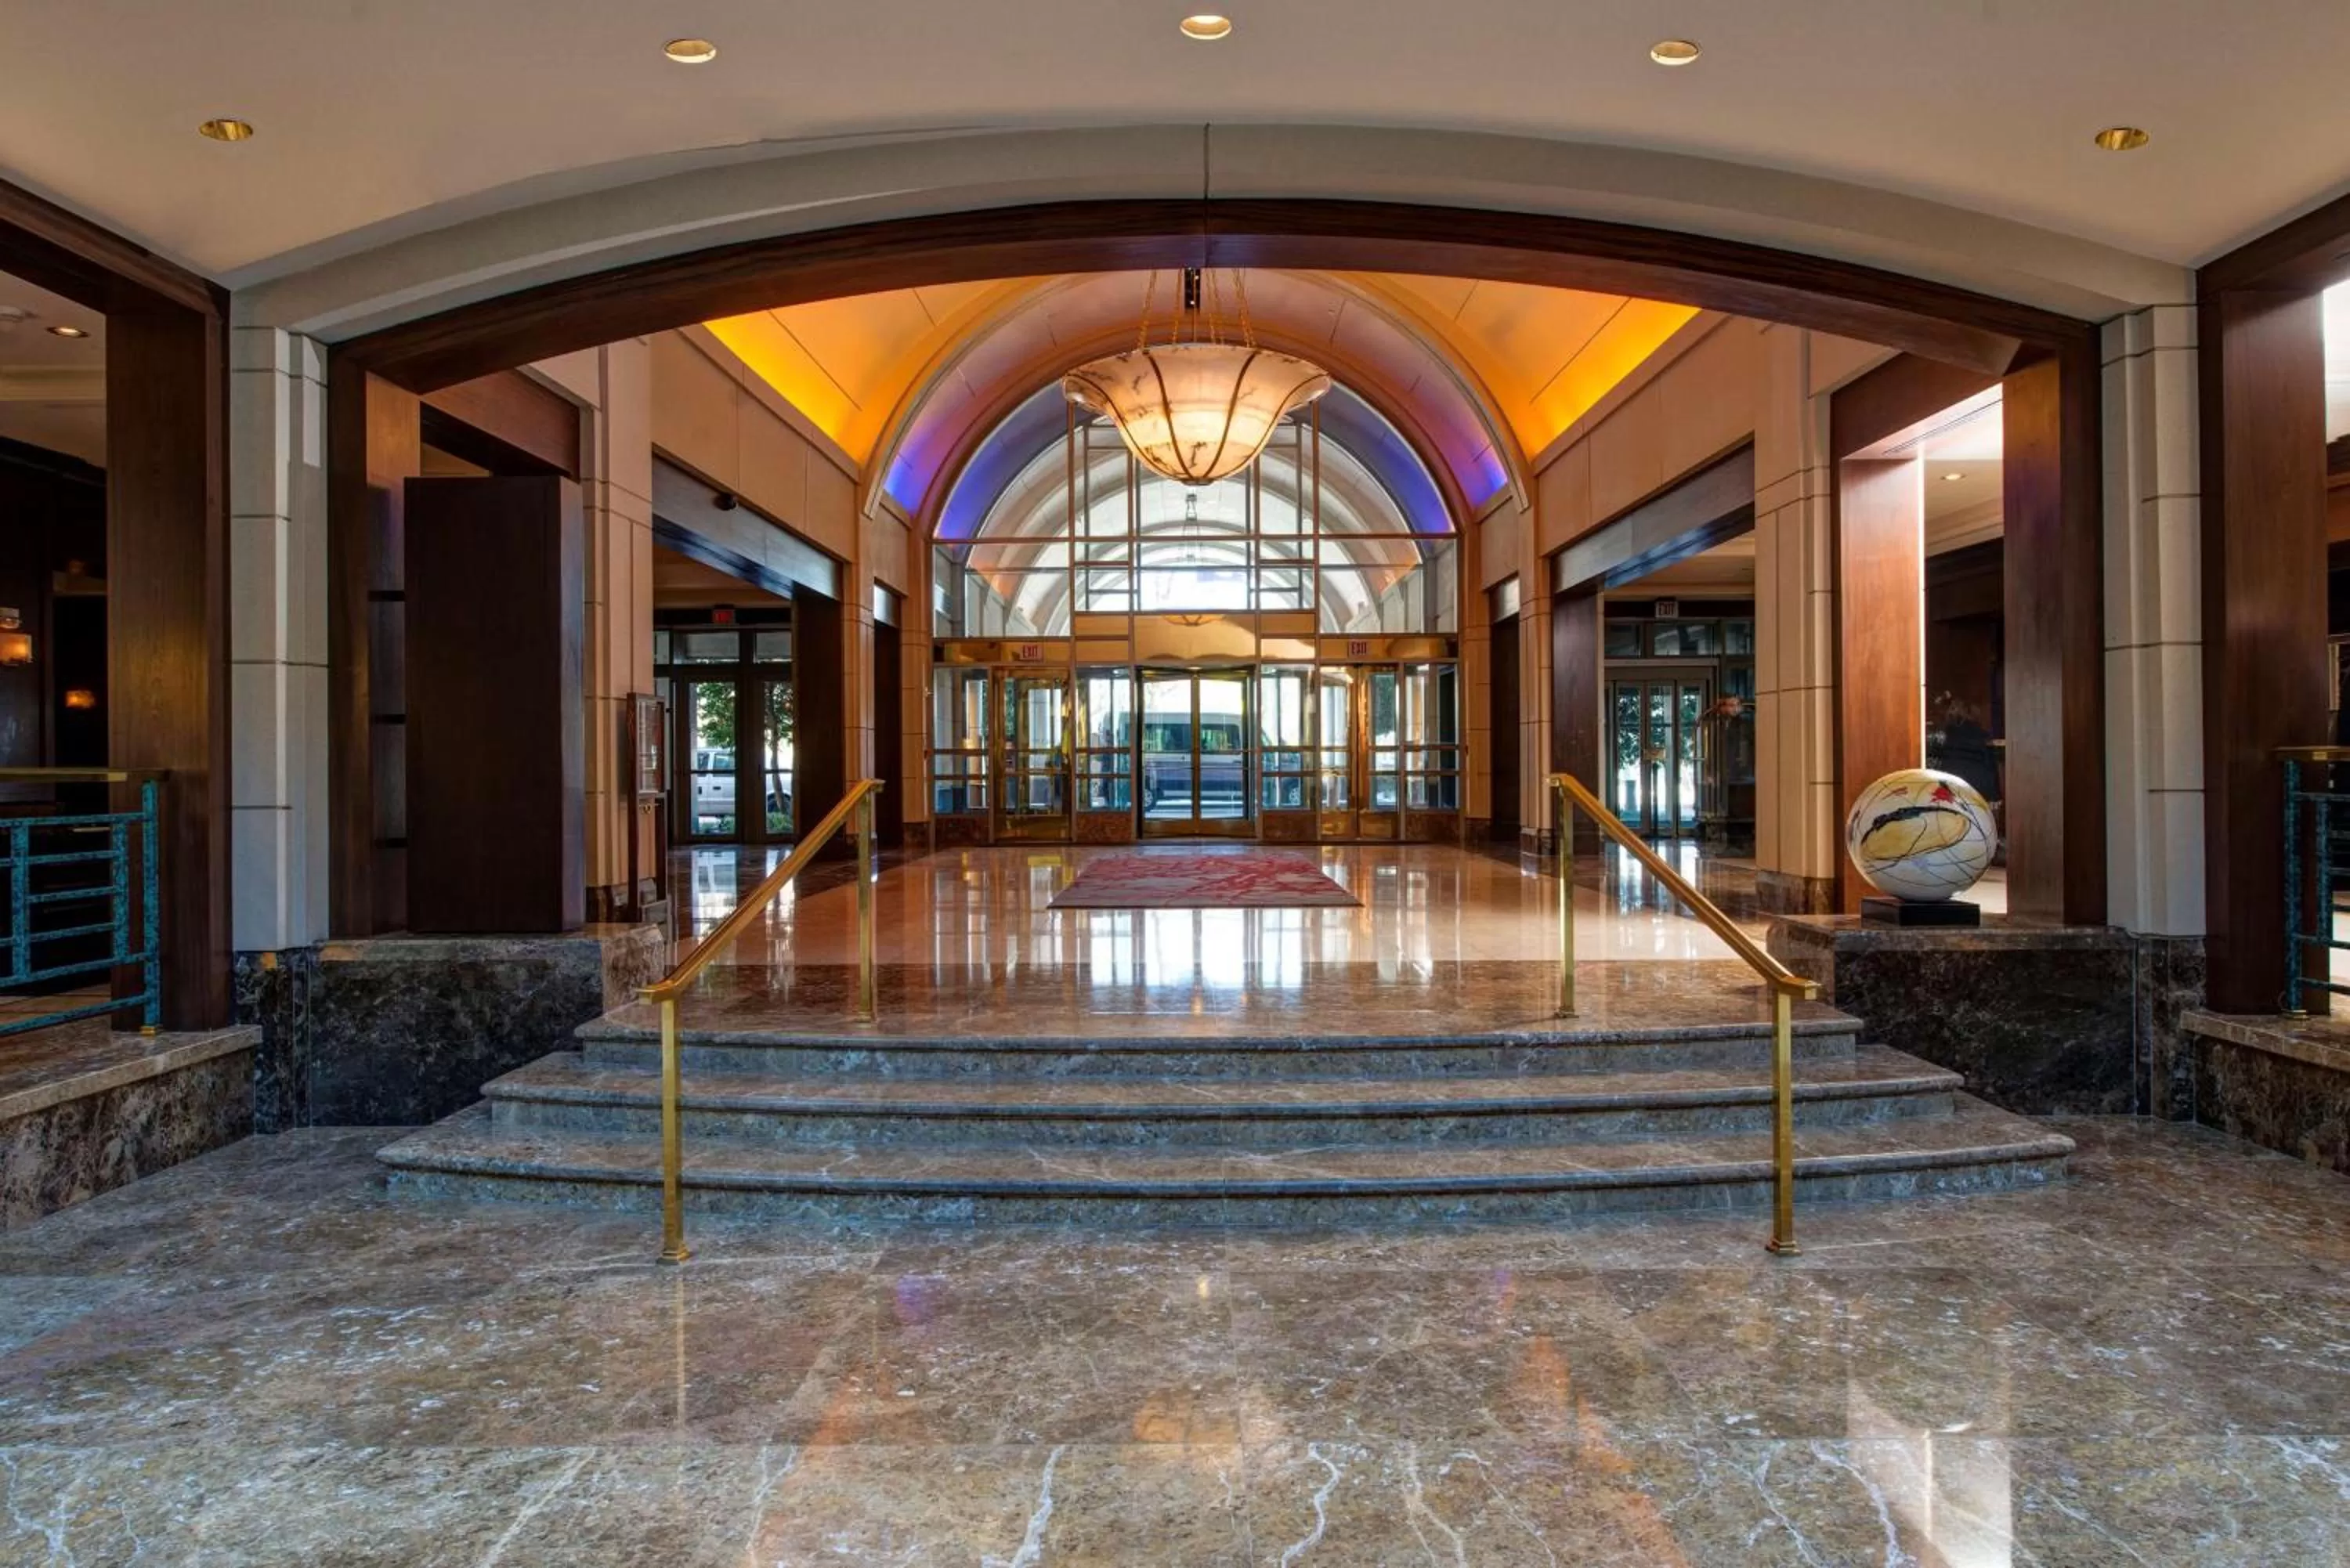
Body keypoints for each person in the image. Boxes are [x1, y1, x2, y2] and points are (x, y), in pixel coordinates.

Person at [1933, 699, 2001, 803]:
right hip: (1977, 785)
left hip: (1951, 784)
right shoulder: (1981, 735)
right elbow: (1990, 765)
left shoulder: (1944, 736)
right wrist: (1995, 796)